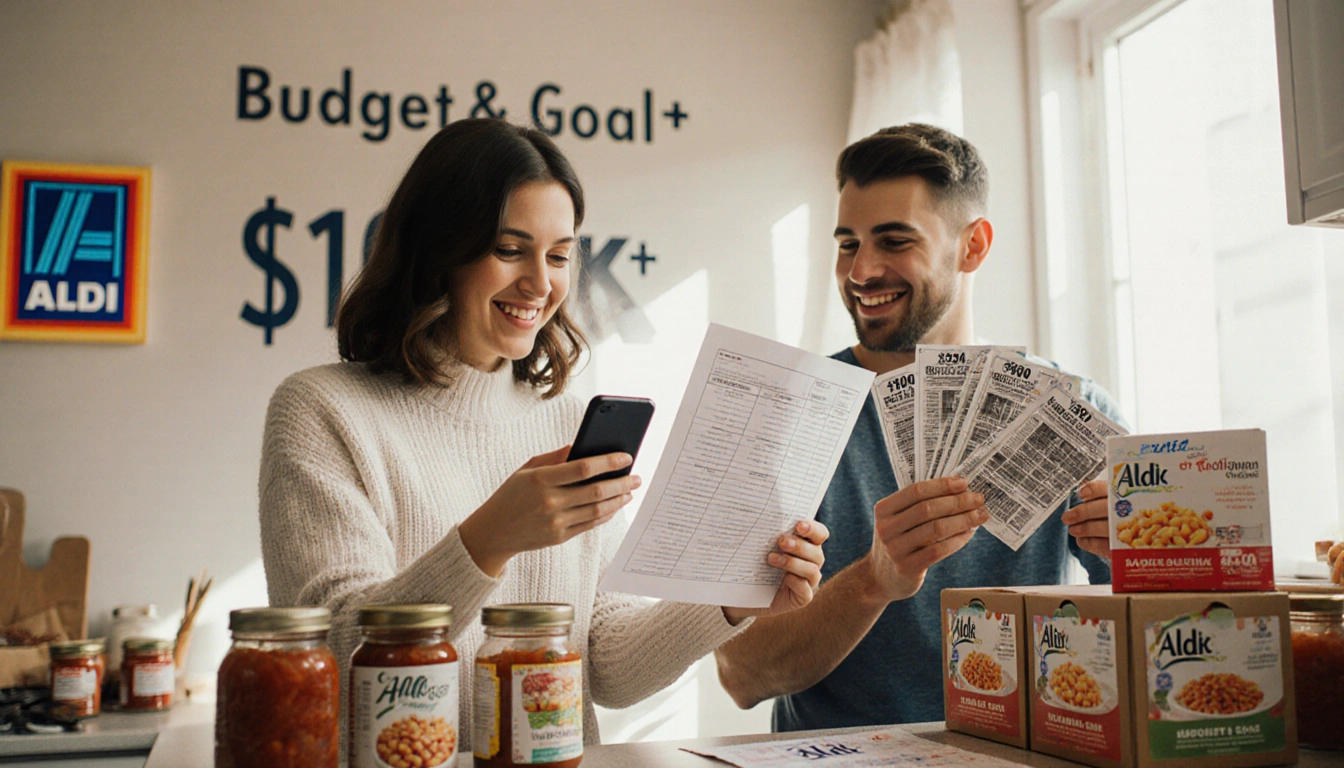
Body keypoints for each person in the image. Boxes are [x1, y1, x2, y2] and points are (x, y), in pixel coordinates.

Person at [257, 118, 828, 750]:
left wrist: (730, 602)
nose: (540, 283)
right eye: (509, 250)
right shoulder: (321, 410)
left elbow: (605, 665)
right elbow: (335, 658)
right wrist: (488, 541)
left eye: (559, 256)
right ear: (438, 250)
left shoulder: (565, 415)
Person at [713, 123, 1125, 731]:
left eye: (894, 240)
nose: (861, 271)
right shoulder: (784, 415)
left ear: (974, 246)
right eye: (848, 243)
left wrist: (1131, 560)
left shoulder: (1071, 407)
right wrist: (875, 581)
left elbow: (1162, 645)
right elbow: (742, 675)